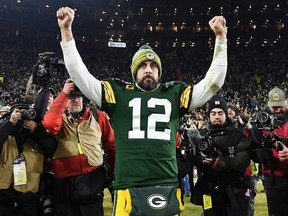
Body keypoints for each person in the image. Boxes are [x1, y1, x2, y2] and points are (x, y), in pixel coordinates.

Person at [56, 6, 228, 216]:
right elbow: (80, 75)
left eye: (153, 66)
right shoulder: (117, 92)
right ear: (134, 71)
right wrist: (66, 33)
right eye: (143, 65)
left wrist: (221, 39)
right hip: (128, 185)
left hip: (166, 184)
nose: (148, 69)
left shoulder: (174, 93)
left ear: (159, 71)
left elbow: (214, 83)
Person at [42, 79, 116, 216]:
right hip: (64, 183)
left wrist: (113, 173)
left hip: (92, 179)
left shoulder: (98, 116)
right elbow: (50, 125)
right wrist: (64, 93)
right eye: (71, 97)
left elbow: (111, 146)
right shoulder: (59, 117)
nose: (76, 100)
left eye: (79, 96)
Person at [190, 96, 250, 216]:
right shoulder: (204, 138)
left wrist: (219, 162)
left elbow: (243, 161)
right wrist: (194, 152)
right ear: (209, 116)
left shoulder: (238, 136)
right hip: (210, 192)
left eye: (220, 113)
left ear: (226, 115)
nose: (216, 116)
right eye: (213, 113)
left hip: (233, 192)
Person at [0, 101, 57, 216]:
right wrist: (10, 123)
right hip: (4, 190)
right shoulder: (5, 130)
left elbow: (51, 149)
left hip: (29, 190)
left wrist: (36, 130)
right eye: (19, 113)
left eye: (25, 113)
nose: (22, 117)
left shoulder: (37, 132)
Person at [250, 87, 288, 216]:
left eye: (280, 106)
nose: (277, 110)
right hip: (273, 178)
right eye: (274, 107)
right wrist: (260, 155)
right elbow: (253, 148)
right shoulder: (260, 122)